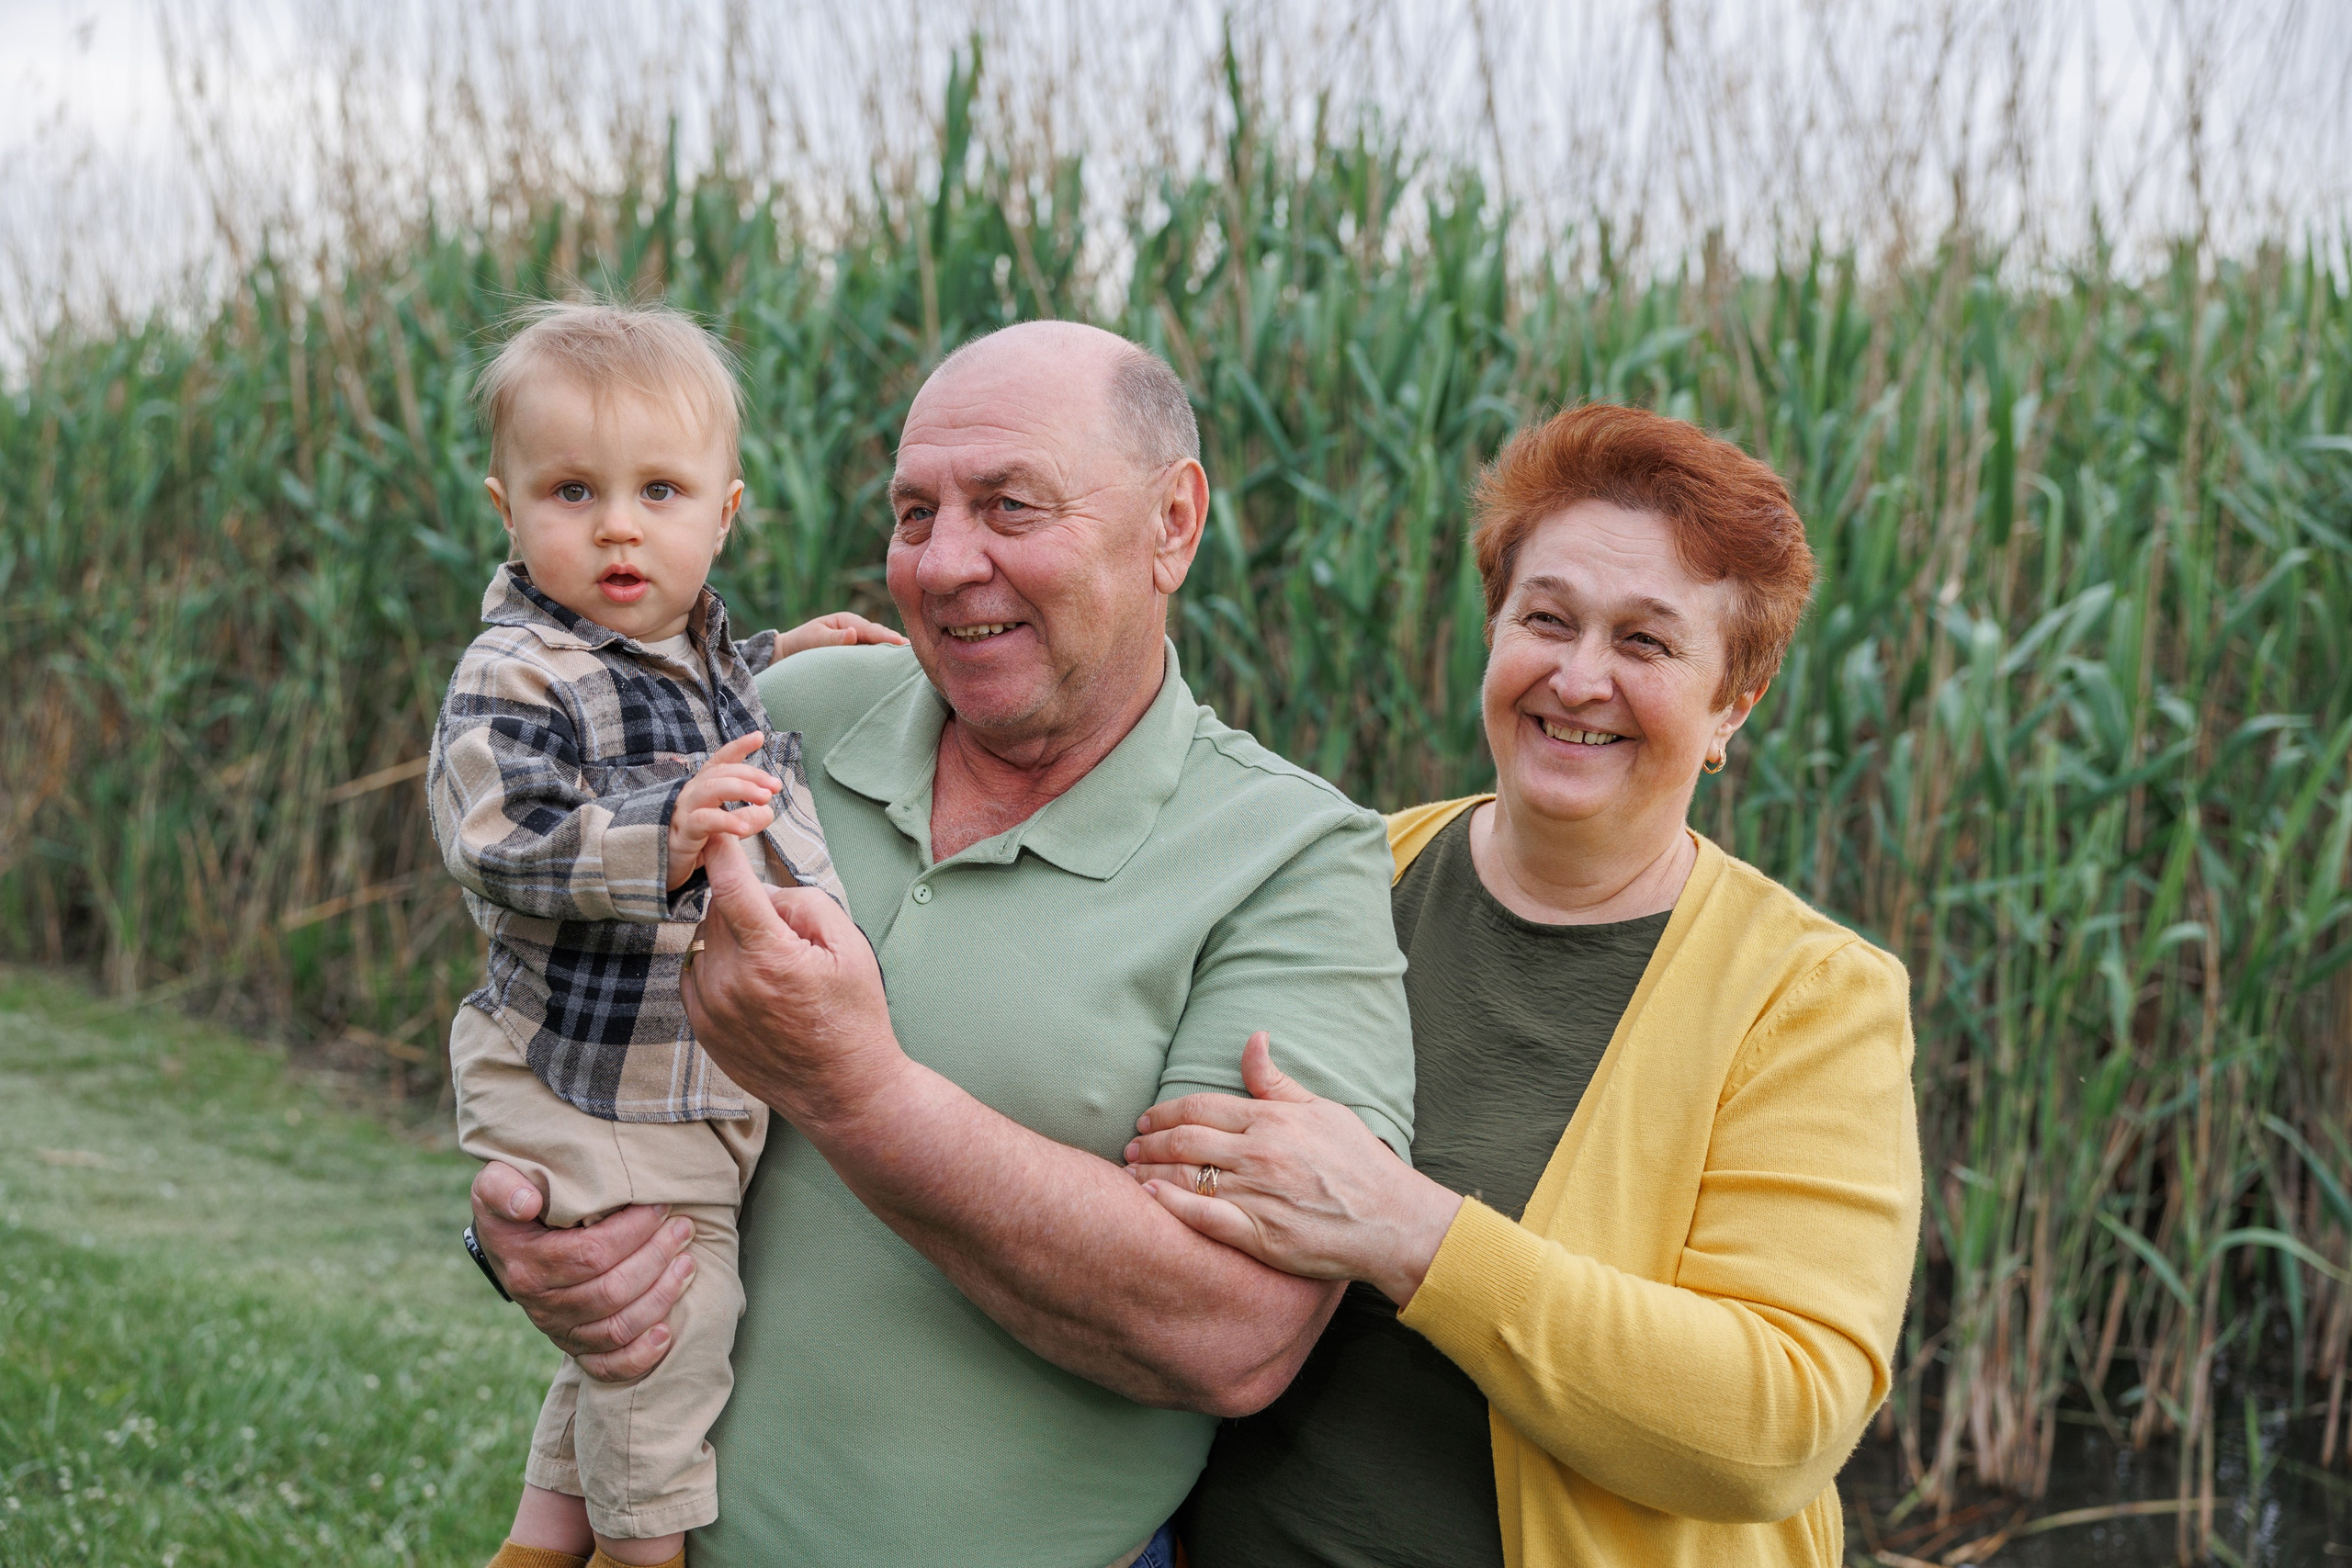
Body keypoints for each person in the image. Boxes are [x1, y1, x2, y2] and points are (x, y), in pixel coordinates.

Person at [463, 320, 1419, 1568]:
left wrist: (857, 1090)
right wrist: (531, 1229)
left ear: (1172, 524)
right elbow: (556, 976)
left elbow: (1236, 1329)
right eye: (916, 513)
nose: (947, 561)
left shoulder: (1292, 857)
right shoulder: (781, 716)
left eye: (1010, 506)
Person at [1128, 403, 1924, 1568]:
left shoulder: (1806, 1000)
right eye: (1545, 620)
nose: (1579, 676)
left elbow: (1777, 1423)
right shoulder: (1337, 877)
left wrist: (1407, 1232)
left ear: (1730, 709)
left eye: (1646, 645)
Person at [427, 299, 903, 1568]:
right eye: (573, 490)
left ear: (724, 511)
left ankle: (538, 1544)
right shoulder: (516, 669)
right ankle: (646, 1549)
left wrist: (779, 654)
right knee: (677, 1326)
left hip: (663, 1081)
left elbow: (674, 702)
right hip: (591, 1080)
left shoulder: (685, 649)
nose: (619, 525)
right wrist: (666, 833)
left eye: (660, 491)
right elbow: (500, 833)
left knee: (626, 1344)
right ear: (508, 505)